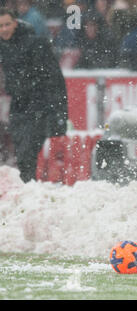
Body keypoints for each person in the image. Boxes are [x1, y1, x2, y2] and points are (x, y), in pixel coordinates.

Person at [0, 8, 68, 182]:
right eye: (0, 26)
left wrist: (59, 112)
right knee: (22, 153)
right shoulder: (4, 46)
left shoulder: (36, 43)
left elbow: (55, 78)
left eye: (7, 24)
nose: (4, 29)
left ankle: (31, 189)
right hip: (18, 105)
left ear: (15, 23)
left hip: (38, 104)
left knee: (27, 153)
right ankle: (29, 188)